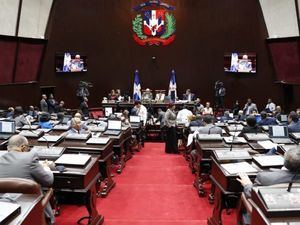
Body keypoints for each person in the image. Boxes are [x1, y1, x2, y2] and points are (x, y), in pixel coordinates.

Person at [0, 135, 55, 224]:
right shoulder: (30, 158)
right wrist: (46, 168)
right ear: (23, 147)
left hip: (3, 208)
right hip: (31, 208)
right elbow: (48, 180)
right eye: (28, 148)